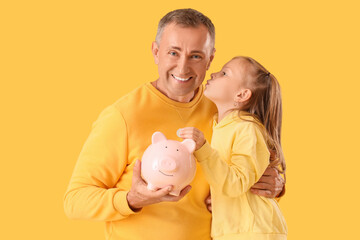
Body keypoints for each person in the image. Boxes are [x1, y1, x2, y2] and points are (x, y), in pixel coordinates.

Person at [64, 9, 285, 240]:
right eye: (173, 53)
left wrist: (274, 186)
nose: (182, 67)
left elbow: (242, 179)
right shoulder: (122, 116)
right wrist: (131, 199)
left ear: (210, 59)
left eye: (196, 56)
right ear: (156, 52)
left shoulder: (226, 112)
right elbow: (74, 200)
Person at [178, 56, 287, 240]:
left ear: (242, 95)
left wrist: (203, 149)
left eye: (224, 73)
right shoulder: (220, 125)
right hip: (234, 231)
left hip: (253, 232)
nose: (213, 73)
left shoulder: (247, 129)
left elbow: (236, 183)